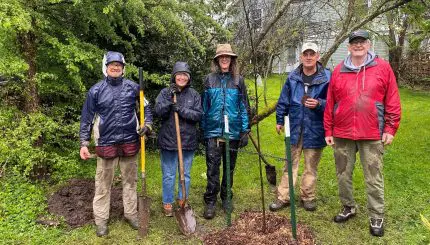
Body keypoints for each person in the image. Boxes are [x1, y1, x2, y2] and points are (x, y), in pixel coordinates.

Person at [324, 30, 401, 237]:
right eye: (354, 42)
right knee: (342, 175)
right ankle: (348, 207)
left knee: (373, 177)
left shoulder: (383, 68)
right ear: (348, 47)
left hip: (372, 133)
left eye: (362, 42)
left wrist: (390, 128)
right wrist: (328, 129)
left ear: (368, 45)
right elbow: (331, 102)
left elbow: (392, 100)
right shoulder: (339, 70)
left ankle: (376, 215)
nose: (358, 45)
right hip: (342, 133)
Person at [79, 51, 153, 237]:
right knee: (103, 185)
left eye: (118, 65)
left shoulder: (134, 88)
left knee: (130, 182)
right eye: (111, 64)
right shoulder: (95, 91)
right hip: (106, 143)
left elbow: (146, 107)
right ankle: (101, 220)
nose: (115, 67)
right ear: (106, 67)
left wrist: (147, 124)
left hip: (129, 142)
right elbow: (86, 118)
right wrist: (84, 142)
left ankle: (131, 214)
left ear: (123, 68)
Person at [269, 42, 331, 212]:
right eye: (306, 54)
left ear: (318, 56)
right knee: (290, 163)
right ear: (301, 57)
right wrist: (280, 120)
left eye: (312, 54)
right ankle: (283, 197)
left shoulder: (327, 77)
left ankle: (308, 196)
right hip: (294, 126)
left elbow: (334, 104)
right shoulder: (293, 77)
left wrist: (319, 103)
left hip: (315, 127)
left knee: (311, 166)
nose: (309, 57)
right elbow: (284, 100)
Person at [201, 43, 250, 219]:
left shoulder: (238, 81)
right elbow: (204, 107)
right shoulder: (209, 80)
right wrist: (203, 130)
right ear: (217, 60)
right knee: (213, 167)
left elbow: (244, 106)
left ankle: (226, 197)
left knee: (229, 168)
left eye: (227, 57)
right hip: (213, 131)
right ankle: (211, 201)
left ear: (231, 60)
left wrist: (245, 130)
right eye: (221, 57)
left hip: (233, 131)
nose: (224, 59)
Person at [154, 61, 202, 216]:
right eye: (179, 75)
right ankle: (167, 202)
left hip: (187, 141)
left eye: (185, 75)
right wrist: (169, 101)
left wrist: (181, 110)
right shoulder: (165, 92)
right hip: (168, 140)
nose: (181, 77)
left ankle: (182, 199)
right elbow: (158, 111)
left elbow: (198, 115)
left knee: (185, 174)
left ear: (189, 78)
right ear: (174, 76)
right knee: (168, 174)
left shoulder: (194, 95)